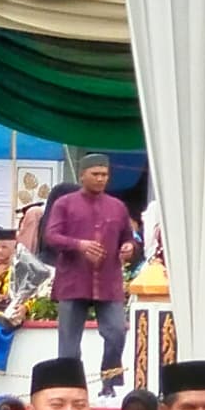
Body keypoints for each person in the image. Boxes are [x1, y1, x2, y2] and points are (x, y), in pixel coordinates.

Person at [32, 156, 134, 382]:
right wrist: (79, 245)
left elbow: (129, 238)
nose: (100, 179)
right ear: (82, 175)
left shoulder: (117, 207)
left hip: (108, 281)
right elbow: (51, 236)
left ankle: (111, 384)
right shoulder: (64, 203)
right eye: (95, 174)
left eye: (104, 175)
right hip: (74, 280)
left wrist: (128, 247)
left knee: (117, 332)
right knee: (69, 343)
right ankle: (70, 385)